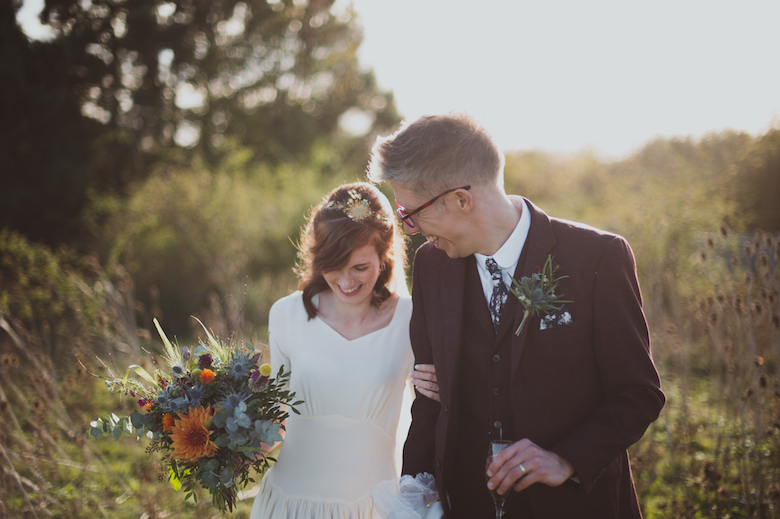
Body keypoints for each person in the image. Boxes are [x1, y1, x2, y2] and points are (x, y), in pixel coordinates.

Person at [366, 113, 665, 519]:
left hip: (576, 507)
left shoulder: (597, 257)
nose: (411, 229)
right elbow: (431, 398)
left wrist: (566, 459)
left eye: (410, 213)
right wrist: (414, 491)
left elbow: (638, 394)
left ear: (461, 200)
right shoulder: (432, 266)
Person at [250, 182, 438, 519]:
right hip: (290, 504)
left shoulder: (412, 318)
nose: (346, 281)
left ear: (384, 259)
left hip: (372, 508)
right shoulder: (286, 314)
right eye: (334, 265)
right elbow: (279, 415)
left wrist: (442, 385)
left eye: (360, 267)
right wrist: (224, 443)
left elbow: (432, 410)